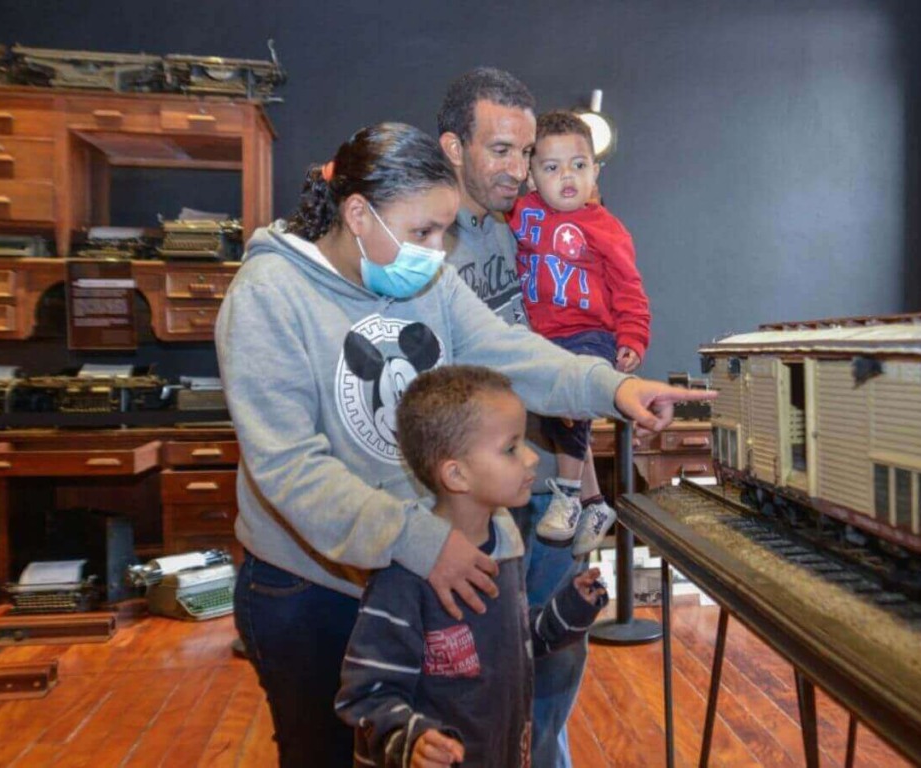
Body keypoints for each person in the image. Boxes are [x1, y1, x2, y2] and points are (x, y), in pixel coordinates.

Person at [217, 121, 711, 767]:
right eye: (422, 232)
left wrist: (611, 389)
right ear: (359, 213)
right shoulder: (266, 296)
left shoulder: (424, 279)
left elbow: (513, 354)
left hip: (418, 569)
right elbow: (290, 468)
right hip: (310, 587)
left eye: (445, 231)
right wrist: (420, 543)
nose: (437, 249)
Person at [335, 365, 607, 768]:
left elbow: (512, 642)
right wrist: (413, 741)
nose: (532, 457)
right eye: (511, 447)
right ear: (456, 474)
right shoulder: (403, 576)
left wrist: (565, 611)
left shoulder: (507, 544)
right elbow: (365, 693)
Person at [437, 67, 590, 767]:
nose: (519, 170)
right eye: (500, 150)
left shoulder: (505, 234)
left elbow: (529, 354)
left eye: (526, 153)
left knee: (558, 649)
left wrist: (574, 461)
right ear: (452, 148)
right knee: (478, 678)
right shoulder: (419, 243)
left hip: (536, 480)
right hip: (467, 502)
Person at [511, 110, 651, 556]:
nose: (566, 176)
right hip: (543, 338)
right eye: (551, 168)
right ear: (531, 177)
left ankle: (569, 495)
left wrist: (632, 338)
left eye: (578, 165)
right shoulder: (523, 212)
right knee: (560, 419)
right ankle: (595, 502)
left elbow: (630, 288)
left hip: (590, 334)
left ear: (595, 172)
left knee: (568, 402)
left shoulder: (606, 228)